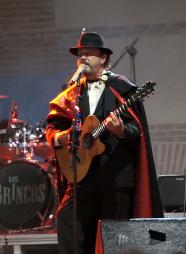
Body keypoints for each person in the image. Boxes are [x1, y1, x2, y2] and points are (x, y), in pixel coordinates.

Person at [45, 32, 162, 254]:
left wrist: (120, 130)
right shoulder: (70, 94)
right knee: (67, 220)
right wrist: (62, 136)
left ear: (103, 59)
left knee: (115, 238)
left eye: (89, 53)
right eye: (80, 54)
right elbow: (52, 129)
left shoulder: (122, 88)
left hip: (115, 176)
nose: (83, 58)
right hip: (81, 175)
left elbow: (137, 131)